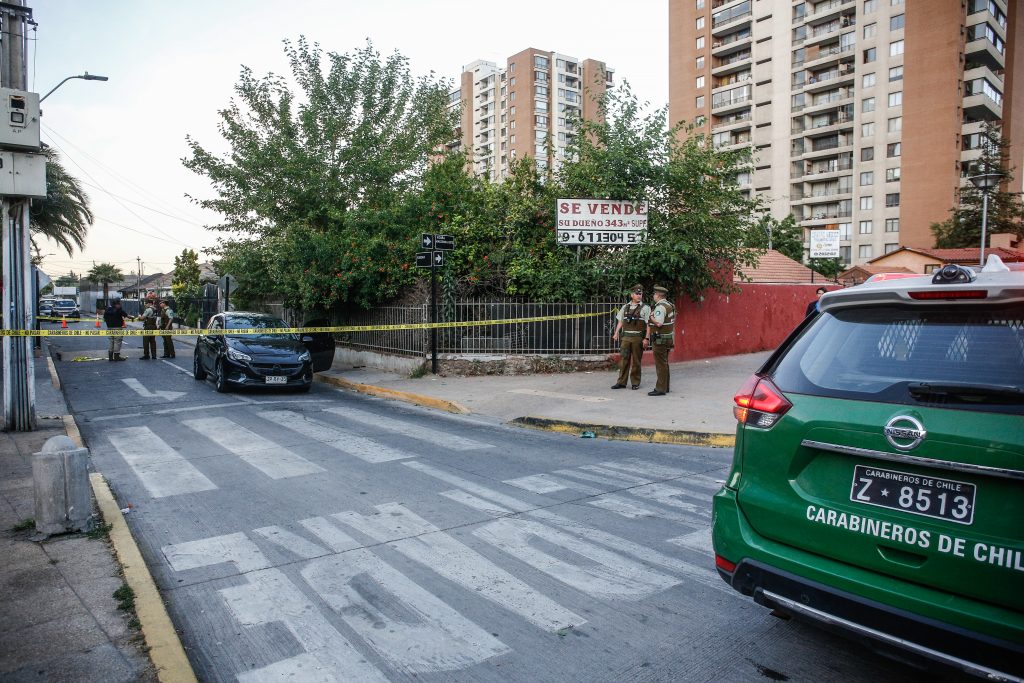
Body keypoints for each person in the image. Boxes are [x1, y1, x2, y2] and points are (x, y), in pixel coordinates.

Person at [611, 284, 650, 390]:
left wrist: (646, 338)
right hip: (626, 338)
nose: (639, 295)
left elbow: (648, 325)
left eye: (640, 294)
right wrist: (616, 333)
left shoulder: (646, 308)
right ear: (632, 295)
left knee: (636, 361)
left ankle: (635, 382)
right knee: (624, 360)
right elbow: (621, 321)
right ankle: (621, 382)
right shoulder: (625, 307)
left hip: (638, 338)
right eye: (637, 294)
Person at [646, 285, 676, 396]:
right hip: (668, 338)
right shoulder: (670, 305)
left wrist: (651, 316)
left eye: (654, 294)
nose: (653, 296)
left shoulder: (660, 307)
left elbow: (659, 323)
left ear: (658, 295)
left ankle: (660, 389)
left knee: (660, 364)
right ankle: (665, 386)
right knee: (664, 363)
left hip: (660, 339)